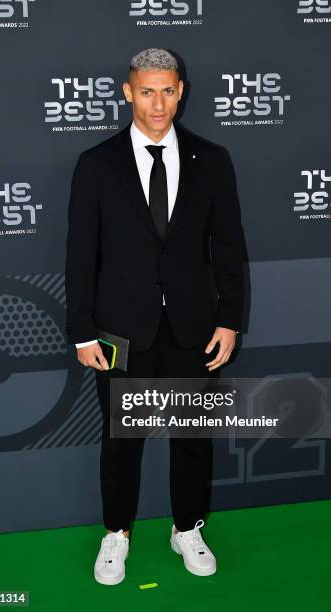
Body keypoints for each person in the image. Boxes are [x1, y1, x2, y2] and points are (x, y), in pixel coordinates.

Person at [65, 48, 245, 585]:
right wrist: (81, 331)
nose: (158, 103)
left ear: (181, 90)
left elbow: (229, 250)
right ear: (128, 92)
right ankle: (116, 534)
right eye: (147, 91)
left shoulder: (212, 160)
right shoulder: (97, 164)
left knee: (192, 436)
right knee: (122, 440)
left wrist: (230, 320)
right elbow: (80, 256)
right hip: (119, 330)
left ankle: (186, 528)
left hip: (193, 325)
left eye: (168, 90)